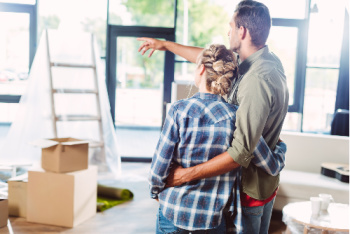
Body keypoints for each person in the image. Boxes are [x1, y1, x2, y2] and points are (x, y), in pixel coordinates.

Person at [149, 44, 287, 234]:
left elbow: (158, 168)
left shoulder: (178, 111)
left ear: (201, 69)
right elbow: (270, 165)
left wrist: (155, 192)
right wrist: (281, 149)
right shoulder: (237, 117)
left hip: (173, 213)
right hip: (211, 221)